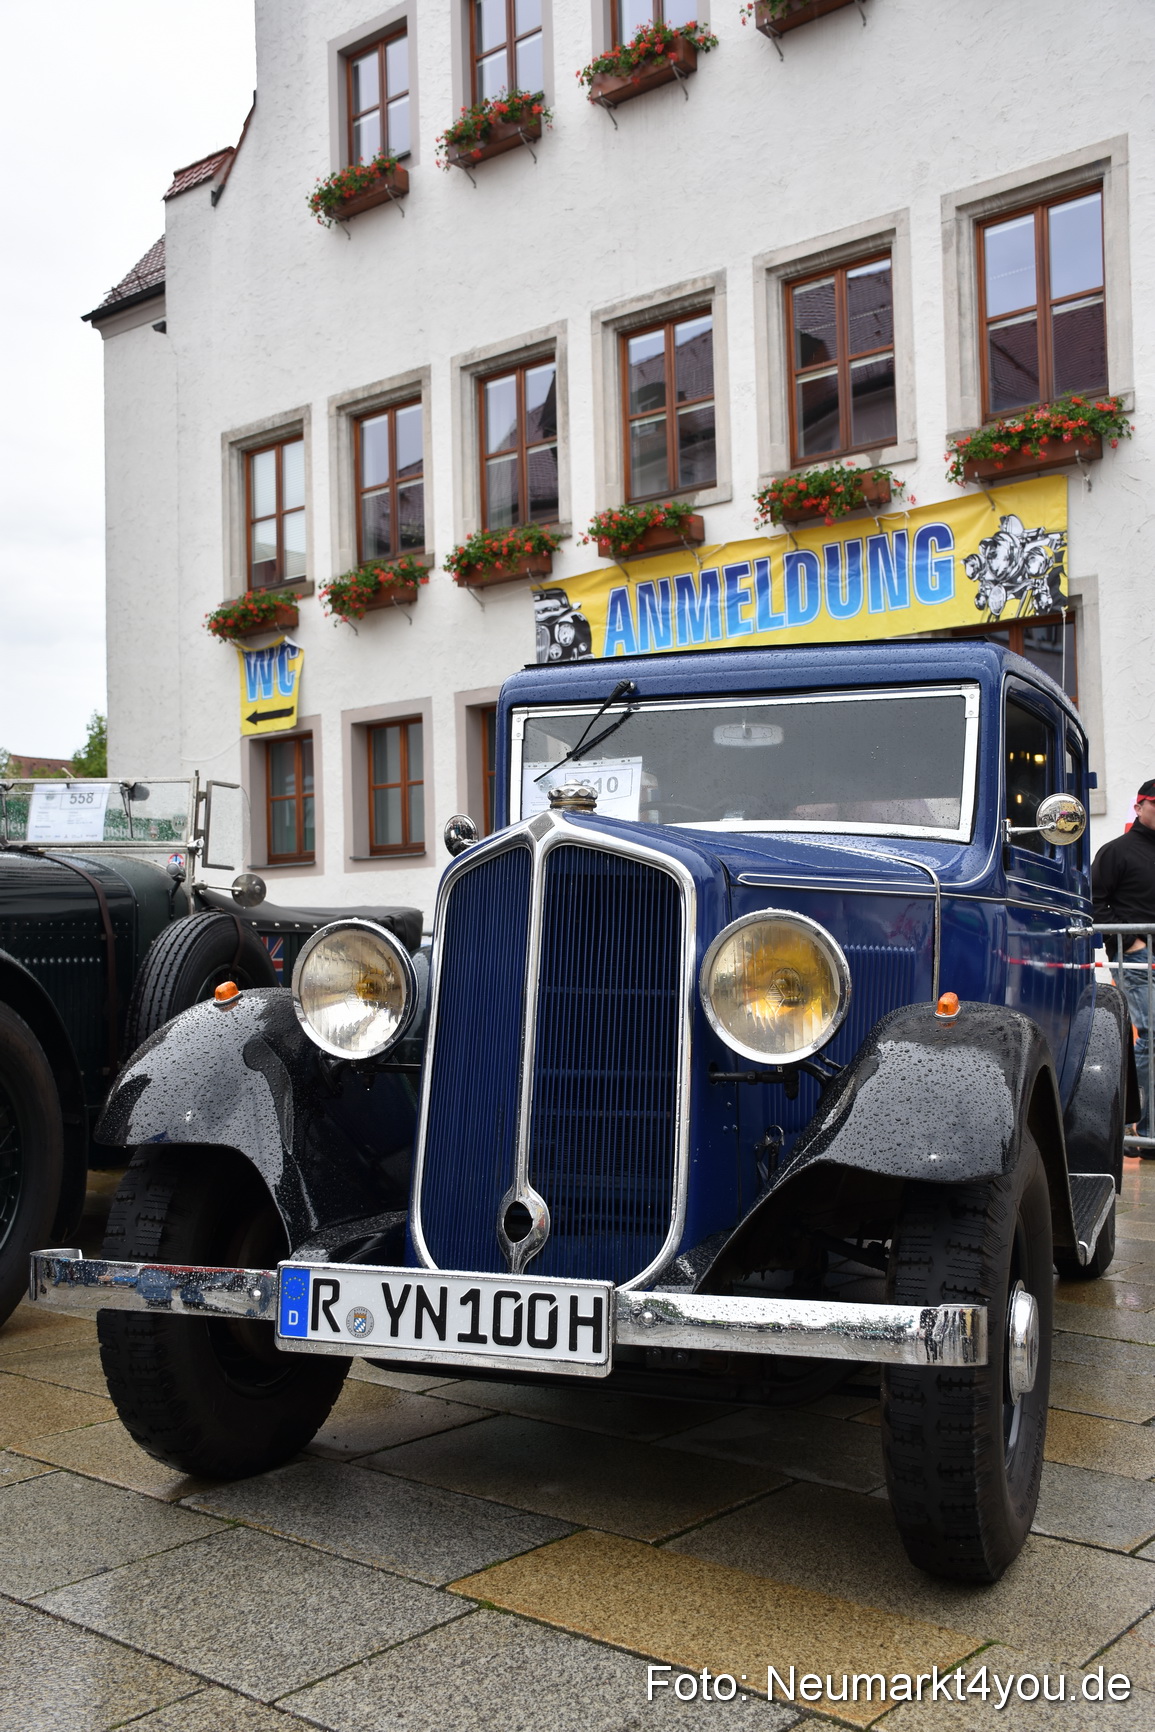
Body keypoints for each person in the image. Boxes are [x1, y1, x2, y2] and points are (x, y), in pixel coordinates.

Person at [1092, 780, 1155, 1147]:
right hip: (1137, 957)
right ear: (1139, 807)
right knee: (1151, 1036)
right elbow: (1096, 901)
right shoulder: (1117, 852)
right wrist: (1129, 942)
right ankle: (1145, 1130)